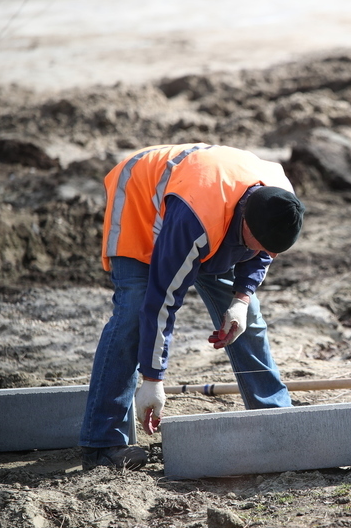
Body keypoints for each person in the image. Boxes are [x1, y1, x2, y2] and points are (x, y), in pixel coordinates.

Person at [79, 143, 305, 471]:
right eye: (258, 245)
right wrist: (153, 379)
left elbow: (263, 254)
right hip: (140, 202)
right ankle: (103, 443)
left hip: (211, 209)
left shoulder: (281, 203)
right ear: (246, 224)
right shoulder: (195, 221)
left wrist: (241, 300)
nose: (262, 253)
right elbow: (162, 301)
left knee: (249, 320)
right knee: (134, 312)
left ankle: (275, 417)